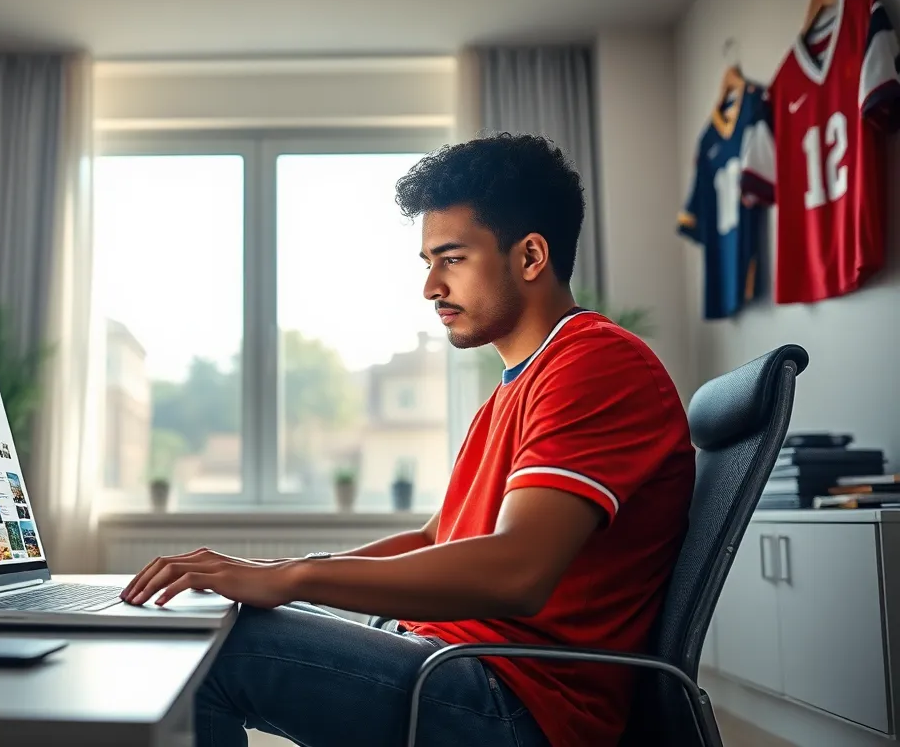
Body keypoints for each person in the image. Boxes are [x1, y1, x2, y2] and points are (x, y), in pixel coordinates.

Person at [122, 133, 696, 747]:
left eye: (451, 259)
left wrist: (291, 579)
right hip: (456, 666)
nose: (430, 288)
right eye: (428, 264)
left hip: (518, 705)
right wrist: (272, 572)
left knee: (219, 652)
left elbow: (518, 571)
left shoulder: (596, 364)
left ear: (530, 257)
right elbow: (433, 538)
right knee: (233, 618)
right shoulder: (512, 391)